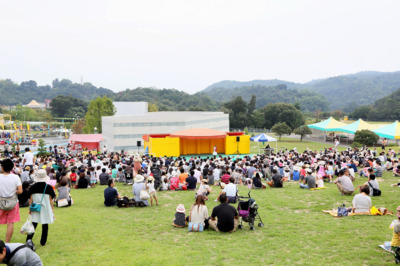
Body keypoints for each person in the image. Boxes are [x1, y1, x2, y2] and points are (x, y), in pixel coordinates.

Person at [26, 169, 56, 249]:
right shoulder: (49, 187)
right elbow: (51, 199)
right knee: (45, 225)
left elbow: (31, 199)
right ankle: (43, 242)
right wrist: (52, 209)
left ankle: (28, 240)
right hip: (45, 208)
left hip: (36, 207)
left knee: (34, 224)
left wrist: (30, 209)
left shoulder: (32, 187)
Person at [0, 159, 22, 243]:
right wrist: (13, 191)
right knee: (10, 223)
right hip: (13, 202)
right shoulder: (15, 177)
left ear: (2, 167)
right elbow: (20, 191)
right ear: (12, 167)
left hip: (1, 201)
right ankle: (7, 243)